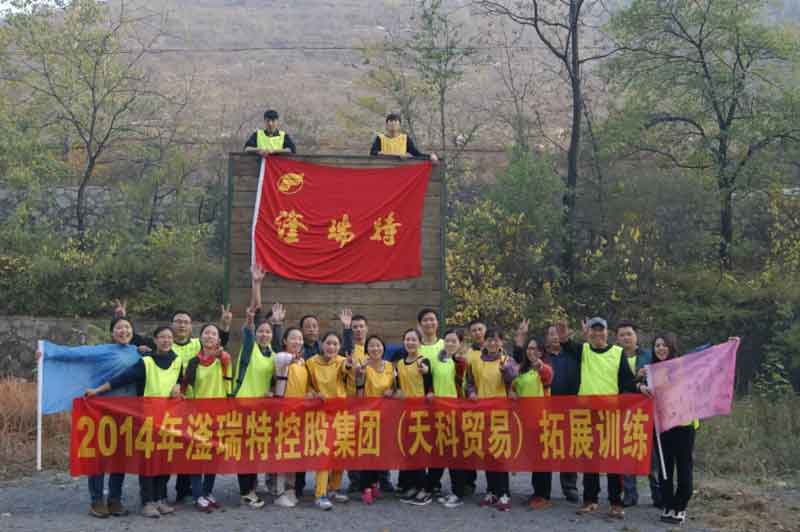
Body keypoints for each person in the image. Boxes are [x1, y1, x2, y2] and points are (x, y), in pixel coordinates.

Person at [85, 325, 182, 518]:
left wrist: (179, 385)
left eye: (169, 337)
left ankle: (160, 499)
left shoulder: (178, 360)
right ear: (154, 340)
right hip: (146, 419)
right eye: (162, 337)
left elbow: (178, 378)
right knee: (148, 462)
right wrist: (97, 391)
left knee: (164, 461)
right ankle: (147, 502)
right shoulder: (146, 362)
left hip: (168, 419)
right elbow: (121, 379)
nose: (166, 340)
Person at [556, 317, 637, 519]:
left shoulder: (618, 353)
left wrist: (630, 396)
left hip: (610, 416)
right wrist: (563, 331)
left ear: (607, 333)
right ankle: (590, 500)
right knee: (589, 460)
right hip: (586, 415)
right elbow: (566, 345)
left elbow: (628, 383)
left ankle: (616, 503)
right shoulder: (583, 351)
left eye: (601, 330)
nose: (597, 334)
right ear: (588, 333)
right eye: (594, 330)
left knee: (612, 462)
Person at [639, 333, 712, 526]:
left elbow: (706, 357)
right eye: (657, 345)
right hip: (661, 427)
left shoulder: (683, 365)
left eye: (664, 345)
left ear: (671, 347)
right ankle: (668, 504)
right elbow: (632, 383)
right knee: (665, 469)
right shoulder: (651, 371)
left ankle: (681, 506)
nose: (660, 348)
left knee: (684, 467)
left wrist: (730, 345)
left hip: (684, 426)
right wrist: (639, 384)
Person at [465, 328, 519, 511]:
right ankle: (491, 491)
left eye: (496, 340)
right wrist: (471, 393)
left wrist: (506, 372)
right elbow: (469, 382)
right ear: (485, 342)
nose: (492, 343)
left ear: (502, 342)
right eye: (489, 340)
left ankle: (504, 493)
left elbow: (514, 380)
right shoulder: (476, 361)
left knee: (500, 454)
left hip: (501, 415)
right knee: (487, 454)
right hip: (481, 414)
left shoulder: (507, 360)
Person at [181, 323, 233, 512]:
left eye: (214, 333)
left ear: (219, 339)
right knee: (197, 457)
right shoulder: (192, 362)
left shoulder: (224, 359)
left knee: (213, 456)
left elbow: (229, 385)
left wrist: (223, 358)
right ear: (200, 337)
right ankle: (197, 495)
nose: (210, 336)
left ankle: (207, 491)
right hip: (197, 417)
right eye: (206, 333)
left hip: (218, 416)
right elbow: (185, 387)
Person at [306, 331, 354, 510]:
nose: (331, 347)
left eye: (335, 344)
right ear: (322, 344)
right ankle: (320, 494)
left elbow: (347, 370)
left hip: (341, 414)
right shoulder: (311, 363)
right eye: (328, 343)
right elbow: (308, 384)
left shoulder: (342, 361)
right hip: (320, 414)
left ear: (339, 347)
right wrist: (313, 393)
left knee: (339, 453)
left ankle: (333, 488)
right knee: (324, 453)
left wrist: (349, 364)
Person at [509, 336, 554, 510]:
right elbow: (514, 387)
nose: (531, 351)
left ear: (542, 352)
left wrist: (540, 366)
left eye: (535, 349)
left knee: (541, 460)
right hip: (524, 421)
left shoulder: (543, 368)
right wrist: (512, 393)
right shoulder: (522, 370)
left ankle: (544, 496)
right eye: (529, 348)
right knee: (534, 460)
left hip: (541, 421)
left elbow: (548, 376)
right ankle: (537, 493)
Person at [426, 329, 467, 509]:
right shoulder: (436, 360)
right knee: (439, 451)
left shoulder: (461, 363)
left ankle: (458, 492)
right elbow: (429, 381)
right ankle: (433, 487)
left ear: (459, 344)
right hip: (437, 413)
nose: (450, 344)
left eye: (454, 341)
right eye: (447, 340)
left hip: (455, 413)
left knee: (455, 455)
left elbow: (465, 385)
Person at [616, 321, 655, 508]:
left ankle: (658, 494)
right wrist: (636, 379)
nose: (626, 338)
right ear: (617, 338)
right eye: (622, 335)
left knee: (651, 454)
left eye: (629, 334)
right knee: (626, 454)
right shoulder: (613, 356)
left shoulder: (649, 356)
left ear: (636, 336)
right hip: (623, 413)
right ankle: (630, 495)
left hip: (647, 414)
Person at [356, 335, 396, 504]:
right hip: (368, 414)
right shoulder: (363, 366)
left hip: (386, 414)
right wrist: (360, 375)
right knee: (368, 452)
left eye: (378, 345)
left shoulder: (389, 366)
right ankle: (365, 488)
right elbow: (358, 391)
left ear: (383, 348)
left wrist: (391, 392)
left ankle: (374, 484)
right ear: (367, 350)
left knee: (380, 452)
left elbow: (396, 387)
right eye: (371, 346)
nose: (375, 349)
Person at [542, 323, 580, 502]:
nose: (555, 336)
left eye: (558, 333)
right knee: (545, 448)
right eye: (551, 333)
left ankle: (570, 487)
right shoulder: (542, 357)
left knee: (569, 450)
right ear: (546, 338)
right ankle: (543, 490)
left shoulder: (573, 354)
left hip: (571, 408)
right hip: (546, 409)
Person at [395, 328, 433, 505]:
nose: (410, 342)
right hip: (405, 413)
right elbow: (399, 386)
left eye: (413, 340)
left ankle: (424, 489)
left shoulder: (423, 361)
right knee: (408, 451)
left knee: (419, 451)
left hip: (421, 413)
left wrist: (426, 373)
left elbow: (429, 386)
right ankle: (412, 485)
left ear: (419, 343)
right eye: (407, 339)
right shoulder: (400, 364)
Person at [272, 327, 310, 508]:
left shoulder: (303, 363)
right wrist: (293, 358)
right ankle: (279, 492)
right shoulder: (282, 359)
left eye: (300, 339)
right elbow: (280, 358)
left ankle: (290, 489)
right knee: (282, 453)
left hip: (299, 415)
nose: (297, 342)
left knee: (295, 453)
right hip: (283, 414)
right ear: (285, 341)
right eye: (293, 338)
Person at [370, 113, 438, 162]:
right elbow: (373, 153)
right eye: (391, 124)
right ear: (386, 126)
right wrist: (396, 155)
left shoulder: (405, 138)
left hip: (401, 170)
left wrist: (430, 156)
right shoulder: (380, 138)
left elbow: (416, 154)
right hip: (384, 169)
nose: (393, 126)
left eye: (395, 124)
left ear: (399, 126)